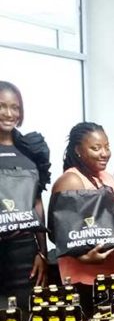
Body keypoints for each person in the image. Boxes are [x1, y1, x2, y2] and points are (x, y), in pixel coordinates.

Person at [51, 122, 114, 314]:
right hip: (85, 278)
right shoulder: (71, 180)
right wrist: (83, 257)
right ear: (78, 150)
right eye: (96, 148)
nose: (104, 153)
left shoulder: (106, 177)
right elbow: (56, 231)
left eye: (107, 147)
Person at [0, 81, 50, 308]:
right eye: (2, 106)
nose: (9, 113)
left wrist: (42, 253)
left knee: (28, 317)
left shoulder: (31, 149)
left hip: (25, 253)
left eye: (15, 107)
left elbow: (36, 204)